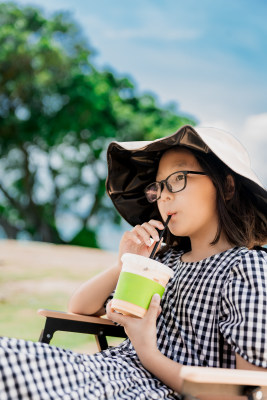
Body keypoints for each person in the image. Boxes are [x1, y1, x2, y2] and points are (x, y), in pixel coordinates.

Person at [0, 125, 266, 400]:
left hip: (150, 390)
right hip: (109, 372)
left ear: (227, 186)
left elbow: (249, 390)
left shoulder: (244, 268)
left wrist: (147, 350)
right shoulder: (164, 261)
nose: (164, 195)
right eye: (159, 186)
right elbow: (80, 307)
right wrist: (124, 264)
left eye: (178, 178)